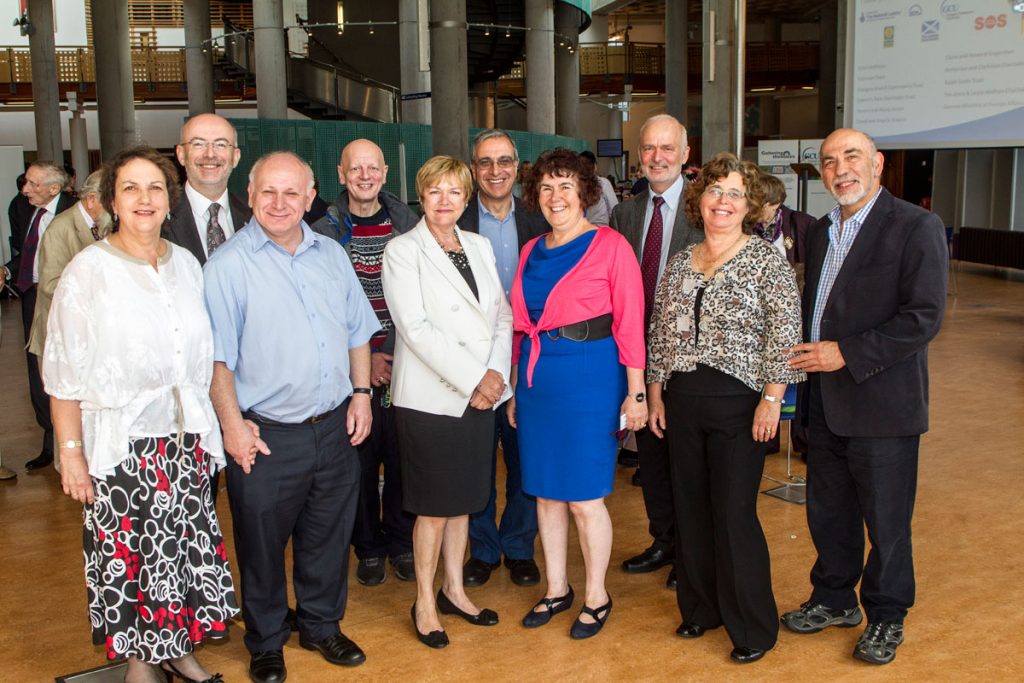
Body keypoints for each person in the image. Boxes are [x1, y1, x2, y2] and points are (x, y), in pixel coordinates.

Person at [42, 146, 237, 683]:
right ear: (111, 201)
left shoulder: (187, 265)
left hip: (187, 442)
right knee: (135, 561)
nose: (144, 198)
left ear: (169, 200)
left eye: (154, 187)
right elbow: (63, 374)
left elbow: (202, 355)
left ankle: (178, 651)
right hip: (125, 447)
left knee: (178, 556)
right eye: (130, 188)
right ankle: (141, 667)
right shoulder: (90, 272)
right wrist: (71, 454)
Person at [204, 151, 379, 683]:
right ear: (250, 196)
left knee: (327, 534)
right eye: (267, 193)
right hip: (266, 435)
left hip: (333, 425)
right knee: (260, 543)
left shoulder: (331, 254)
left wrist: (362, 393)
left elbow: (357, 331)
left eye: (291, 193)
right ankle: (266, 640)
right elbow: (216, 360)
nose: (279, 204)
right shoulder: (227, 266)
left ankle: (322, 625)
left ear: (310, 198)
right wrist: (233, 426)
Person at [782, 128, 948, 665]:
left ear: (877, 163)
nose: (840, 169)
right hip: (827, 403)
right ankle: (834, 600)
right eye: (829, 161)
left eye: (851, 156)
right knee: (829, 513)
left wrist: (845, 353)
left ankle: (886, 616)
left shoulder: (916, 226)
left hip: (883, 405)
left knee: (887, 523)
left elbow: (922, 317)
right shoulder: (824, 230)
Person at [645, 152, 804, 664]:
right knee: (690, 510)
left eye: (735, 193)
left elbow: (785, 335)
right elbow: (660, 335)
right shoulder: (680, 262)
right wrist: (653, 392)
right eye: (715, 191)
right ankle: (700, 609)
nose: (723, 202)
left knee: (734, 514)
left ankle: (753, 627)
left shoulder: (765, 260)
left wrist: (772, 400)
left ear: (749, 204)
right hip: (682, 402)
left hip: (742, 404)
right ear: (700, 200)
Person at [510, 148, 646, 639]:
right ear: (536, 197)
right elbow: (519, 328)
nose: (556, 196)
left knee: (585, 499)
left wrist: (635, 395)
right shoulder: (530, 251)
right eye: (546, 187)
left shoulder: (611, 246)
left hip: (592, 377)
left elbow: (631, 323)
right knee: (546, 496)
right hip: (537, 381)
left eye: (566, 185)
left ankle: (595, 595)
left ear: (586, 193)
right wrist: (513, 389)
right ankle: (556, 588)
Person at [382, 155, 512, 649]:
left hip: (481, 396)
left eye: (454, 192)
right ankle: (425, 602)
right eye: (435, 191)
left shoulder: (478, 245)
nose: (444, 201)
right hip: (433, 400)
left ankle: (455, 589)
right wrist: (476, 378)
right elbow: (414, 330)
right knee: (433, 509)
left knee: (463, 504)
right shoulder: (402, 250)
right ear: (422, 196)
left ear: (467, 197)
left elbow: (502, 316)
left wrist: (496, 374)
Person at [312, 138, 419, 586]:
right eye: (355, 169)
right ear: (340, 175)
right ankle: (368, 546)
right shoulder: (321, 230)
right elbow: (319, 311)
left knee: (401, 459)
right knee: (356, 464)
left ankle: (400, 541)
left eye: (372, 168)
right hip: (347, 370)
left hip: (406, 364)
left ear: (385, 173)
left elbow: (418, 298)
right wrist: (367, 358)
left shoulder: (409, 223)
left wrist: (390, 353)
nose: (364, 176)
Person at [610, 114, 703, 586]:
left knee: (687, 460)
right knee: (650, 457)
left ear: (686, 155)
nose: (658, 157)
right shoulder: (625, 213)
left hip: (691, 361)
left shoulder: (707, 209)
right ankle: (663, 540)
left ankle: (689, 552)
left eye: (668, 148)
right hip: (637, 361)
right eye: (649, 149)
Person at [458, 129, 549, 589]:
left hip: (527, 361)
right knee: (475, 461)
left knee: (523, 460)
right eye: (485, 162)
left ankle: (518, 546)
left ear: (518, 166)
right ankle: (483, 549)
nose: (495, 170)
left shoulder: (539, 219)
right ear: (474, 169)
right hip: (472, 366)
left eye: (504, 161)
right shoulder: (454, 221)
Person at [2, 162, 75, 471]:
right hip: (33, 297)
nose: (25, 189)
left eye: (32, 184)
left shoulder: (75, 211)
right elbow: (27, 252)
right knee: (37, 366)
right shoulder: (26, 208)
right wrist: (7, 269)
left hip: (66, 301)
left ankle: (69, 444)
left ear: (53, 189)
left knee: (65, 366)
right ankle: (49, 440)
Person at [28, 169, 110, 359]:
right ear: (91, 199)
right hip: (63, 338)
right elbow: (50, 286)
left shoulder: (103, 223)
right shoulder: (60, 228)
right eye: (111, 202)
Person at [164, 113, 252, 265]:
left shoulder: (255, 215)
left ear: (235, 157)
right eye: (198, 144)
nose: (210, 154)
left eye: (221, 145)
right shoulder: (159, 218)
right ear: (181, 154)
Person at [753, 172, 816, 288]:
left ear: (775, 204)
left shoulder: (802, 223)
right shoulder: (745, 226)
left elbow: (814, 267)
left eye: (759, 205)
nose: (752, 209)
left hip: (790, 296)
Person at [579, 150, 618, 226]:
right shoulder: (603, 183)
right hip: (601, 229)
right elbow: (614, 210)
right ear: (595, 166)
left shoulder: (575, 185)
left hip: (581, 231)